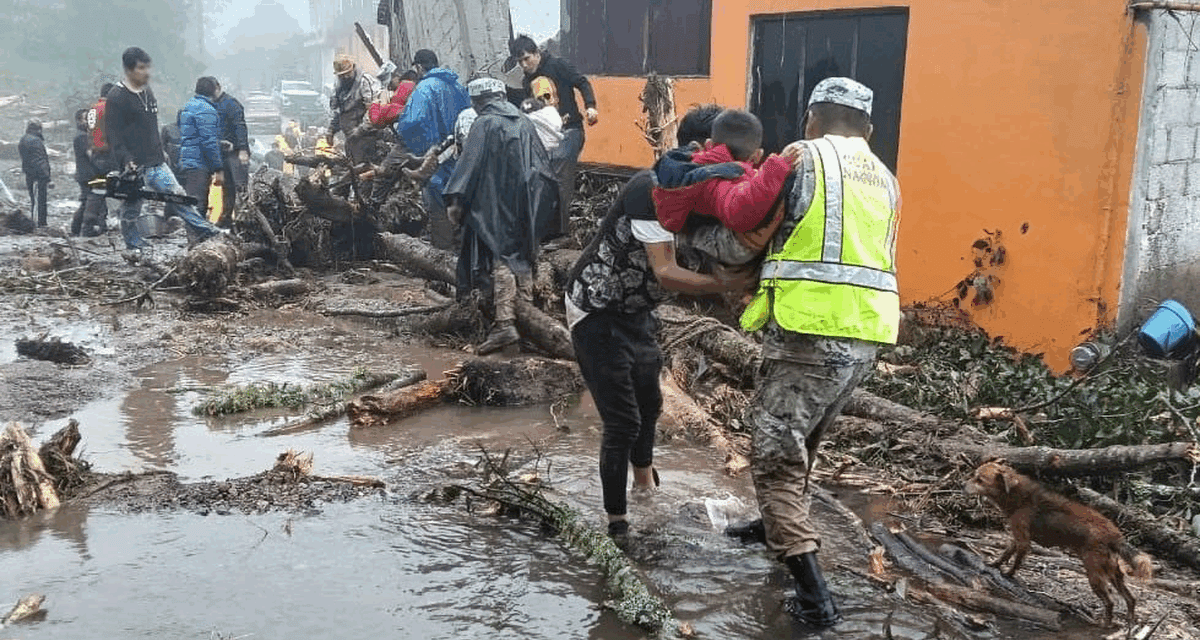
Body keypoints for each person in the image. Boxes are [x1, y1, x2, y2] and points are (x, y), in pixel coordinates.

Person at [729, 78, 901, 628]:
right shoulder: (887, 177)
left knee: (775, 454)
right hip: (867, 334)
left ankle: (813, 596)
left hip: (809, 327)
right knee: (806, 437)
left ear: (810, 119)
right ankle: (772, 525)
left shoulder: (802, 158)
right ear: (869, 130)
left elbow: (750, 224)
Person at [563, 104, 757, 538]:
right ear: (701, 150)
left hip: (636, 309)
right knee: (623, 420)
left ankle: (646, 488)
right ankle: (618, 526)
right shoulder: (650, 190)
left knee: (650, 403)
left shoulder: (714, 192)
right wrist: (726, 284)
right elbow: (666, 271)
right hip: (596, 305)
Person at [443, 78, 558, 354]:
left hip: (497, 201)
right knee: (524, 252)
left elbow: (469, 163)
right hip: (528, 197)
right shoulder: (523, 120)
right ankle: (529, 318)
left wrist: (456, 200)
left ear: (478, 101)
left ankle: (505, 323)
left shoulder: (485, 123)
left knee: (501, 254)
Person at [105, 47, 221, 252]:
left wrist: (161, 150)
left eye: (148, 67)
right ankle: (133, 245)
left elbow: (151, 126)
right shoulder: (117, 97)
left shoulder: (148, 93)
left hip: (156, 160)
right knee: (132, 208)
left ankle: (207, 231)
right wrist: (125, 159)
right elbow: (113, 135)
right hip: (133, 165)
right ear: (129, 70)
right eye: (141, 68)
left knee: (178, 197)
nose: (147, 72)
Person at [510, 34, 599, 239]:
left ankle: (560, 232)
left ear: (536, 53)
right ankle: (542, 228)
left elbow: (582, 82)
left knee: (558, 171)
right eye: (520, 61)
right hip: (545, 137)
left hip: (570, 130)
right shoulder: (527, 81)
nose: (524, 65)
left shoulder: (558, 65)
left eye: (527, 59)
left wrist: (591, 106)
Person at [393, 49, 469, 249]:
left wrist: (420, 148)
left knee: (438, 210)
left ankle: (442, 263)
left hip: (436, 159)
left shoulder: (424, 89)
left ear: (418, 67)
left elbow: (412, 122)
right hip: (460, 158)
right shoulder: (457, 86)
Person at [176, 76, 224, 224]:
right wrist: (218, 168)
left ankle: (195, 240)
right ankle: (195, 243)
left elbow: (189, 134)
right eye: (218, 88)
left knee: (192, 202)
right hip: (199, 164)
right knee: (197, 205)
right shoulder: (206, 110)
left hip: (188, 161)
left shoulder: (188, 106)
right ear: (213, 89)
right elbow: (208, 143)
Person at [326, 53, 381, 164]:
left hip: (367, 137)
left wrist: (360, 130)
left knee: (364, 169)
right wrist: (331, 129)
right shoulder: (339, 86)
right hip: (350, 138)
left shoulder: (365, 81)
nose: (345, 77)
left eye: (347, 74)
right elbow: (338, 111)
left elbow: (372, 110)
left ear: (353, 69)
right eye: (342, 75)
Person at [78, 83, 116, 236]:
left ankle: (89, 225)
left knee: (97, 190)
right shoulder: (112, 109)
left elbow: (89, 130)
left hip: (95, 155)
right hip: (108, 155)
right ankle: (107, 223)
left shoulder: (92, 109)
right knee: (123, 189)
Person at [212, 78, 249, 223]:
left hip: (235, 153)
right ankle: (226, 217)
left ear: (217, 88)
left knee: (240, 186)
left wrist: (242, 149)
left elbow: (240, 127)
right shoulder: (214, 104)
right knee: (227, 187)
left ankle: (243, 218)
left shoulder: (231, 104)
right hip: (222, 153)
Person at [18, 119, 51, 227]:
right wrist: (46, 176)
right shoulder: (35, 141)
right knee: (40, 200)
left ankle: (37, 222)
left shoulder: (24, 139)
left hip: (29, 173)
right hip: (38, 175)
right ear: (39, 128)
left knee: (34, 199)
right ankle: (39, 224)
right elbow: (40, 160)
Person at [71, 109, 95, 236]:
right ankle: (78, 228)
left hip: (85, 174)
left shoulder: (83, 135)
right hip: (86, 175)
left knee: (88, 201)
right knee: (88, 201)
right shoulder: (82, 136)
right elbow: (90, 155)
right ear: (79, 121)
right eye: (86, 119)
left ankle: (79, 228)